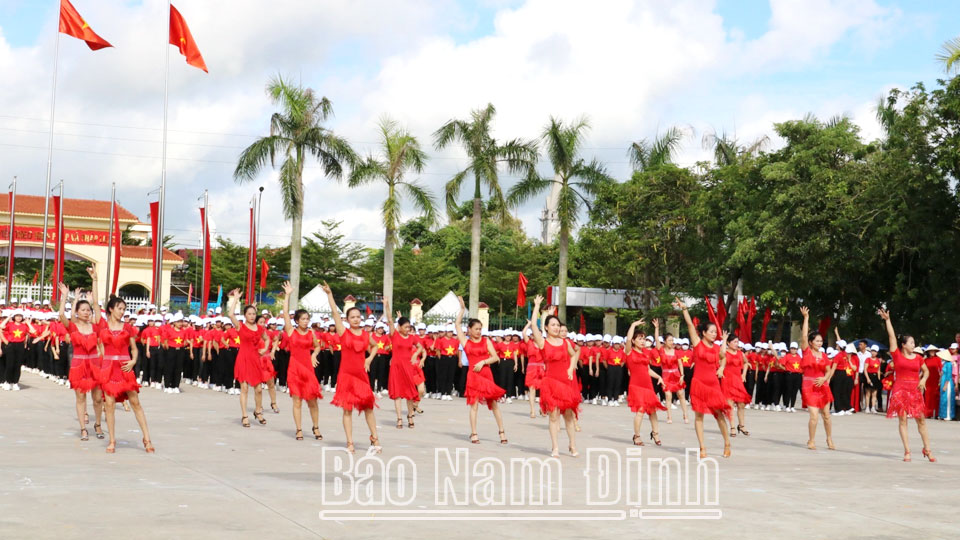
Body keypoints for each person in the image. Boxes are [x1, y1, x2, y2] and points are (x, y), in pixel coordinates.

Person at [323, 282, 380, 454]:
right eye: (352, 317)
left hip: (361, 376)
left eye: (358, 316)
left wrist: (369, 359)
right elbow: (334, 312)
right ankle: (350, 442)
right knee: (347, 410)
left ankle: (374, 437)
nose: (356, 319)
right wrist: (329, 295)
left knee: (369, 408)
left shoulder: (365, 335)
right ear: (347, 320)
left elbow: (375, 346)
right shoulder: (343, 332)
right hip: (346, 376)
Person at [674, 297, 732, 458]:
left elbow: (723, 357)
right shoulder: (697, 343)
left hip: (713, 385)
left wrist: (720, 368)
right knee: (698, 415)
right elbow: (690, 325)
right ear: (704, 332)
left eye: (715, 332)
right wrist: (685, 309)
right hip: (698, 384)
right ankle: (702, 448)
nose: (714, 334)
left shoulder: (717, 348)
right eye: (711, 332)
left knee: (719, 414)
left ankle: (727, 443)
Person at [98, 296, 154, 453]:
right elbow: (95, 304)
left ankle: (147, 438)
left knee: (135, 402)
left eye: (124, 309)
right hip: (108, 368)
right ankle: (112, 440)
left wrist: (133, 361)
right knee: (109, 404)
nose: (122, 312)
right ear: (111, 309)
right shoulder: (102, 327)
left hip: (125, 367)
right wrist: (95, 281)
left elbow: (134, 349)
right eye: (119, 308)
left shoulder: (128, 328)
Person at [878, 309, 934, 462]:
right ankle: (907, 451)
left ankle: (927, 449)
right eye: (911, 342)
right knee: (903, 420)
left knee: (921, 420)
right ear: (903, 345)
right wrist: (887, 320)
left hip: (915, 390)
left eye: (914, 343)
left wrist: (923, 380)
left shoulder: (918, 358)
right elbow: (891, 337)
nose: (913, 345)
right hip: (900, 390)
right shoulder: (896, 355)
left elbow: (926, 372)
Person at [529, 296, 580, 457]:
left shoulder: (565, 343)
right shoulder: (543, 342)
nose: (557, 328)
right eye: (553, 325)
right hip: (551, 383)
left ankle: (572, 445)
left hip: (566, 383)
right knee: (553, 415)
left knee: (569, 416)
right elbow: (534, 329)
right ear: (546, 327)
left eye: (558, 325)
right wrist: (537, 307)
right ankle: (555, 447)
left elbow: (575, 354)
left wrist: (571, 368)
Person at [454, 295, 508, 445]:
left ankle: (502, 431)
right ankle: (474, 433)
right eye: (476, 329)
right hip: (473, 376)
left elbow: (496, 357)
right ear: (469, 330)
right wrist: (462, 309)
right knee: (474, 405)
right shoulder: (465, 341)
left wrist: (483, 361)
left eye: (480, 329)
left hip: (486, 374)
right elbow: (457, 325)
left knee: (494, 404)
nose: (479, 331)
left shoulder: (486, 341)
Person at [58, 272, 105, 441]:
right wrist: (65, 297)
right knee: (80, 397)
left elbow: (98, 309)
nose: (86, 312)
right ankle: (83, 428)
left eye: (88, 310)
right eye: (83, 310)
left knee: (98, 398)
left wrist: (95, 280)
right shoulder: (73, 327)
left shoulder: (95, 327)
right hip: (78, 365)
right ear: (77, 312)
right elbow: (62, 315)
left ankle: (98, 424)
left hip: (95, 365)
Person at [278, 282, 323, 441]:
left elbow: (317, 347)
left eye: (307, 318)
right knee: (297, 401)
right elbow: (284, 313)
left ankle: (316, 427)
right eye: (303, 319)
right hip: (294, 369)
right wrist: (288, 295)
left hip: (308, 369)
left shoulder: (312, 333)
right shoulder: (291, 331)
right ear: (296, 320)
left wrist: (314, 355)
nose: (306, 321)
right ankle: (298, 429)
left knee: (313, 401)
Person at [225, 289, 269, 428]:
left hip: (255, 359)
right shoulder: (241, 326)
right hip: (243, 358)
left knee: (259, 389)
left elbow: (267, 339)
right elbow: (230, 314)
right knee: (244, 388)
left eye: (253, 313)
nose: (251, 316)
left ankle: (258, 411)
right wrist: (236, 299)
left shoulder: (260, 329)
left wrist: (264, 349)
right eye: (249, 314)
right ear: (245, 315)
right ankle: (244, 415)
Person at [384, 300, 426, 429]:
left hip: (408, 367)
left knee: (409, 393)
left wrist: (414, 355)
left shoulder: (412, 337)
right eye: (406, 327)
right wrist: (386, 305)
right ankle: (399, 418)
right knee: (397, 394)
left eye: (409, 327)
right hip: (396, 367)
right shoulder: (394, 335)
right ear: (400, 326)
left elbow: (420, 347)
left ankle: (410, 415)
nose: (408, 329)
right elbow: (390, 320)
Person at [623, 319, 666, 446]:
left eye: (644, 338)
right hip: (636, 385)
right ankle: (636, 436)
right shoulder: (629, 352)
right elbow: (628, 338)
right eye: (640, 338)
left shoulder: (646, 354)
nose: (642, 341)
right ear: (633, 341)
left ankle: (655, 433)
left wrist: (659, 377)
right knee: (641, 410)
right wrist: (633, 325)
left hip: (647, 386)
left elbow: (647, 370)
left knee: (652, 411)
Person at [798, 307, 835, 451]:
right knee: (814, 415)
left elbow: (828, 370)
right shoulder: (806, 352)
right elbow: (804, 337)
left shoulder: (824, 356)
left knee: (826, 415)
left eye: (821, 341)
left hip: (823, 386)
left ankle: (829, 438)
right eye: (817, 341)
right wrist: (806, 317)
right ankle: (811, 440)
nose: (820, 343)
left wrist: (824, 379)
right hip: (808, 385)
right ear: (811, 342)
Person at [653, 320, 688, 424]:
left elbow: (680, 364)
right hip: (666, 375)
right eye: (669, 340)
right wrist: (656, 328)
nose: (672, 342)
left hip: (676, 374)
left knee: (681, 394)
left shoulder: (676, 352)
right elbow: (656, 339)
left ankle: (685, 415)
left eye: (672, 340)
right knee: (668, 396)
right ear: (665, 341)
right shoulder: (661, 350)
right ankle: (669, 416)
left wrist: (682, 375)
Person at [720, 333, 752, 437]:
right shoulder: (725, 353)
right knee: (729, 405)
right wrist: (724, 340)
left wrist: (744, 374)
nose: (736, 344)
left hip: (738, 380)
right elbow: (721, 353)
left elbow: (746, 363)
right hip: (727, 380)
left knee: (741, 404)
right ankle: (732, 427)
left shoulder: (740, 353)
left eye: (737, 342)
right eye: (734, 342)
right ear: (728, 343)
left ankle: (741, 425)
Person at [862, 345, 883, 413]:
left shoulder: (878, 360)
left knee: (874, 393)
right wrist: (867, 378)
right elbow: (865, 369)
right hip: (869, 376)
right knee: (868, 393)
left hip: (875, 377)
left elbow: (878, 370)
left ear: (877, 353)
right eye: (872, 351)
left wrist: (879, 378)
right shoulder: (868, 359)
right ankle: (867, 407)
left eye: (875, 351)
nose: (873, 353)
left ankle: (873, 407)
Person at [940, 345, 956, 420]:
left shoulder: (949, 364)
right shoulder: (945, 363)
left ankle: (948, 415)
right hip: (943, 381)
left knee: (948, 399)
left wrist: (946, 385)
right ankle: (943, 414)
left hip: (948, 382)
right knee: (943, 398)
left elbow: (949, 375)